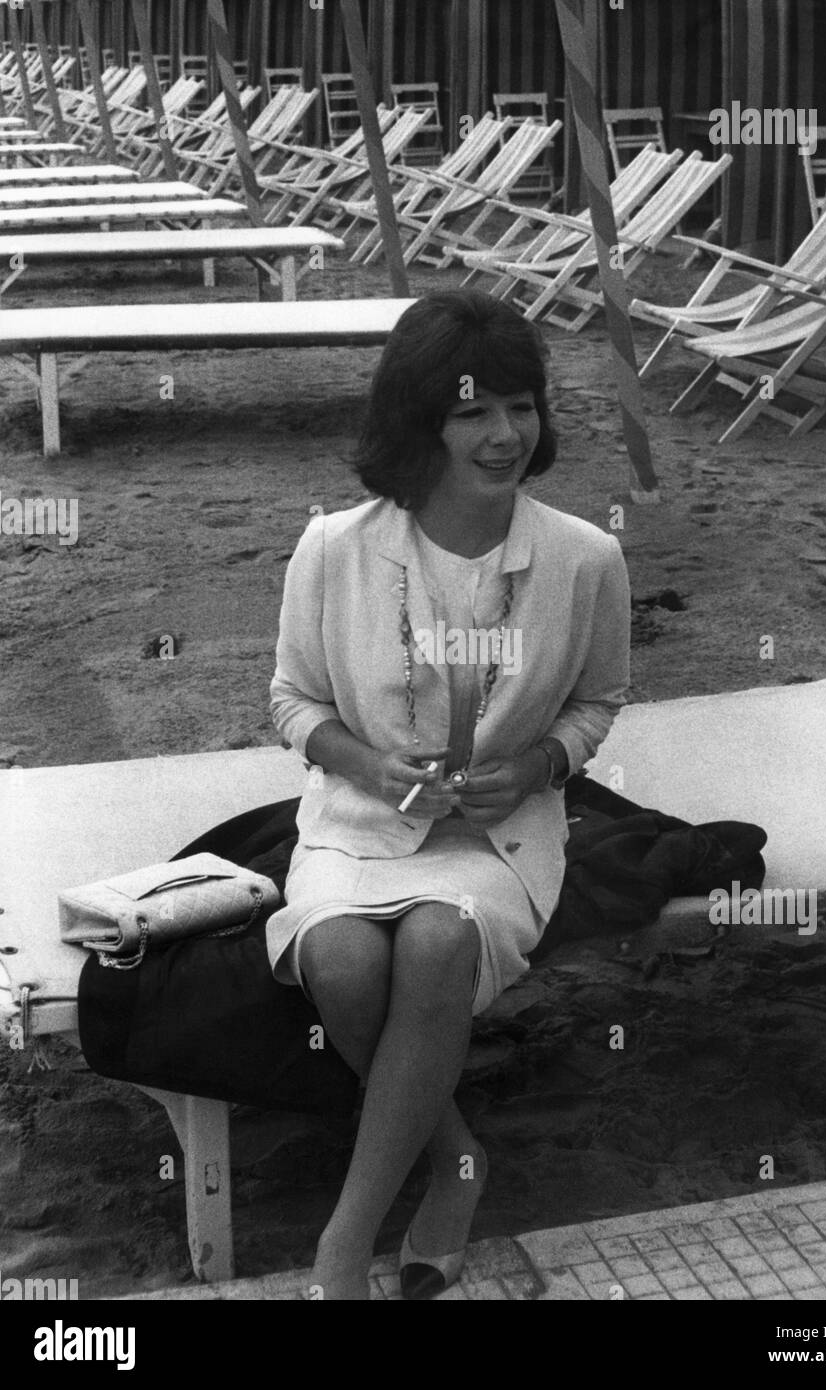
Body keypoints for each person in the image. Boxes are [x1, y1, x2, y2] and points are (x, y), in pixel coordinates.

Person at [268, 288, 631, 1300]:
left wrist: (540, 766)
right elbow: (291, 700)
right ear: (419, 420)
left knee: (437, 938)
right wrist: (361, 760)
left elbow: (600, 701)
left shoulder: (583, 559)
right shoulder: (335, 549)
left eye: (520, 406)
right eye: (472, 411)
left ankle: (345, 1241)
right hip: (355, 824)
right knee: (339, 960)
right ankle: (456, 1158)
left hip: (500, 842)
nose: (504, 434)